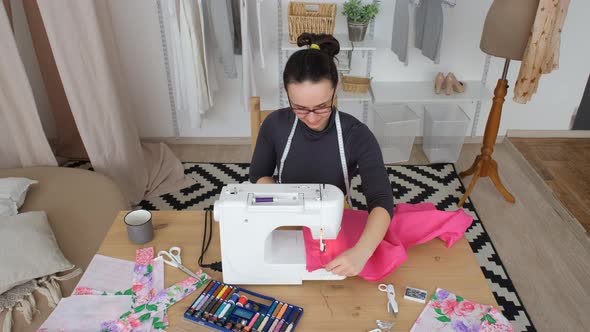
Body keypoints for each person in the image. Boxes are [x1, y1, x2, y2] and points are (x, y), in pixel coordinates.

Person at [249, 33, 394, 277]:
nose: (313, 118)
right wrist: (290, 209)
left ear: (335, 89)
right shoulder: (275, 124)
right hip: (285, 215)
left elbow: (381, 200)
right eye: (300, 109)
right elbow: (259, 176)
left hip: (334, 220)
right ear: (287, 95)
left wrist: (362, 251)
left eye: (322, 107)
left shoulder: (357, 135)